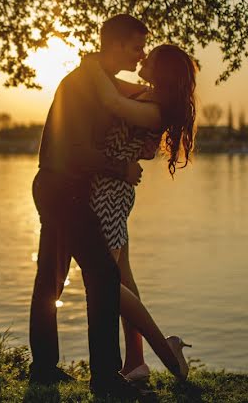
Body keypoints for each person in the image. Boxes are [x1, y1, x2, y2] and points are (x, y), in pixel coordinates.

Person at [29, 14, 148, 397]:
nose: (141, 54)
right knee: (103, 275)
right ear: (114, 45)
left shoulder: (94, 81)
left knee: (50, 279)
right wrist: (122, 168)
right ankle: (105, 378)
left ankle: (44, 370)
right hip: (65, 190)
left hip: (56, 188)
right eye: (135, 46)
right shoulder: (83, 85)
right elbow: (77, 151)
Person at [83, 42, 199, 382]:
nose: (144, 57)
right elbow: (113, 89)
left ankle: (169, 354)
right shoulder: (148, 95)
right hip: (109, 188)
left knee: (104, 281)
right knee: (123, 279)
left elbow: (110, 100)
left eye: (152, 57)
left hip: (111, 194)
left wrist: (91, 64)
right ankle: (136, 363)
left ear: (162, 70)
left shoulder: (157, 108)